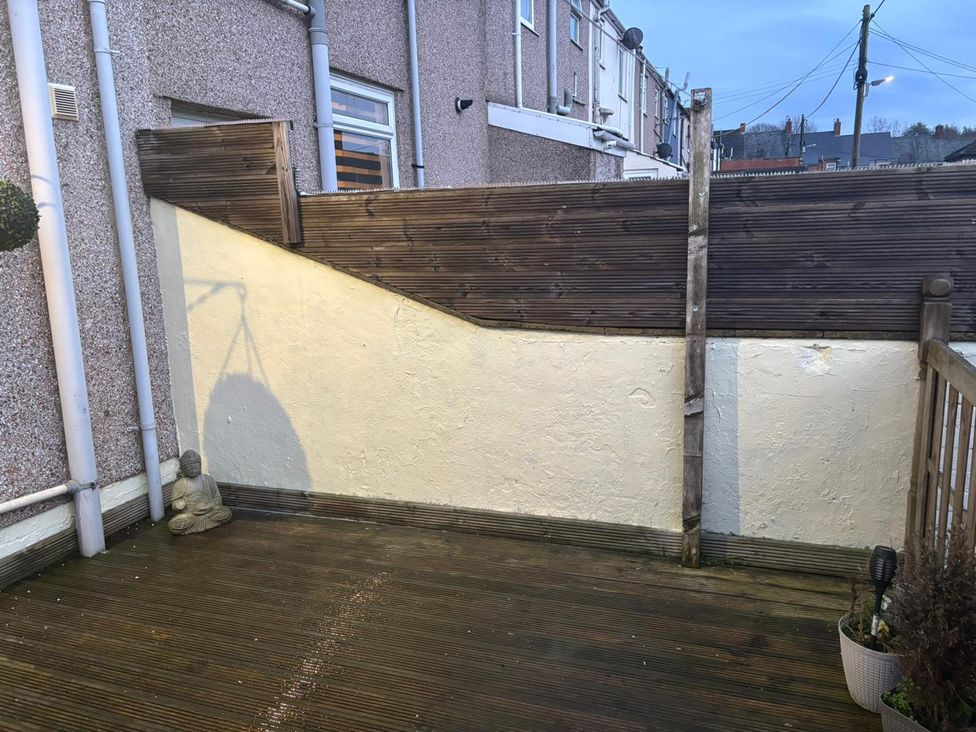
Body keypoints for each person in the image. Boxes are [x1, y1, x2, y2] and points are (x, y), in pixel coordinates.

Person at [167, 450, 232, 535]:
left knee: (226, 512)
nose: (193, 470)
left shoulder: (209, 480)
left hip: (209, 512)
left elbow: (218, 498)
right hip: (190, 515)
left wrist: (210, 505)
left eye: (196, 467)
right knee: (174, 526)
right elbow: (174, 505)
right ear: (183, 470)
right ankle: (206, 524)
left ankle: (198, 526)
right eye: (189, 468)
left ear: (200, 466)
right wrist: (178, 505)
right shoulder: (180, 484)